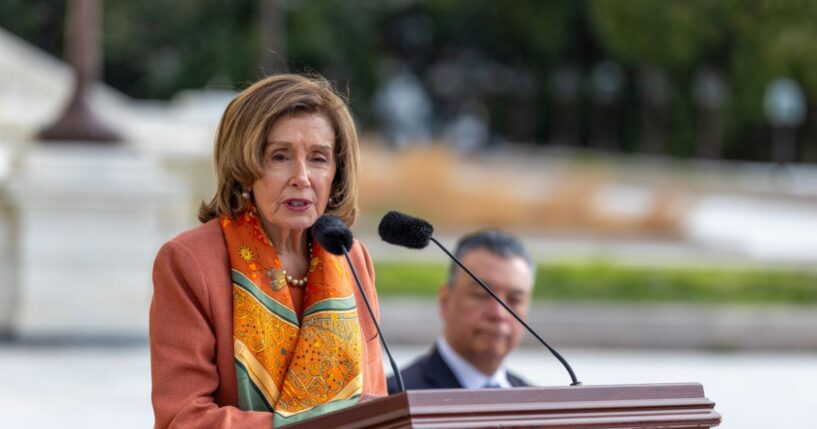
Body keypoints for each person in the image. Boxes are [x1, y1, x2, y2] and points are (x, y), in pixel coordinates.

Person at [150, 74, 386, 428]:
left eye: (319, 158)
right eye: (280, 157)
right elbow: (182, 418)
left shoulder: (351, 257)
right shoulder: (190, 261)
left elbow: (375, 401)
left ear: (336, 173)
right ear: (244, 168)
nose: (302, 177)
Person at [387, 230, 534, 392]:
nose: (498, 313)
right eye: (482, 295)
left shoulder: (540, 405)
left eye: (514, 300)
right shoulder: (396, 400)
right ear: (445, 301)